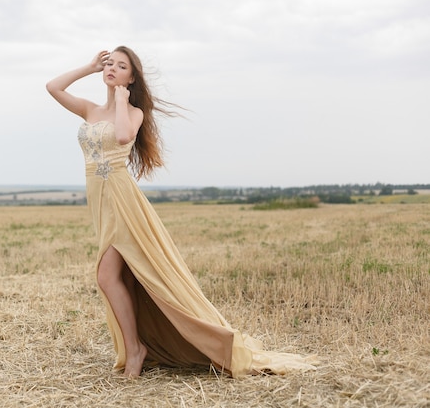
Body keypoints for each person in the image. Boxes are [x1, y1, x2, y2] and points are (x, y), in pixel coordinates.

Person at [46, 46, 317, 378]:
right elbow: (53, 87)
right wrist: (88, 67)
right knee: (121, 277)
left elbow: (121, 136)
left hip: (122, 202)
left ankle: (136, 350)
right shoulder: (89, 109)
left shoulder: (132, 113)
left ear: (132, 77)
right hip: (100, 202)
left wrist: (121, 100)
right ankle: (138, 346)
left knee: (106, 276)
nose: (112, 69)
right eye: (109, 64)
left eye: (122, 66)